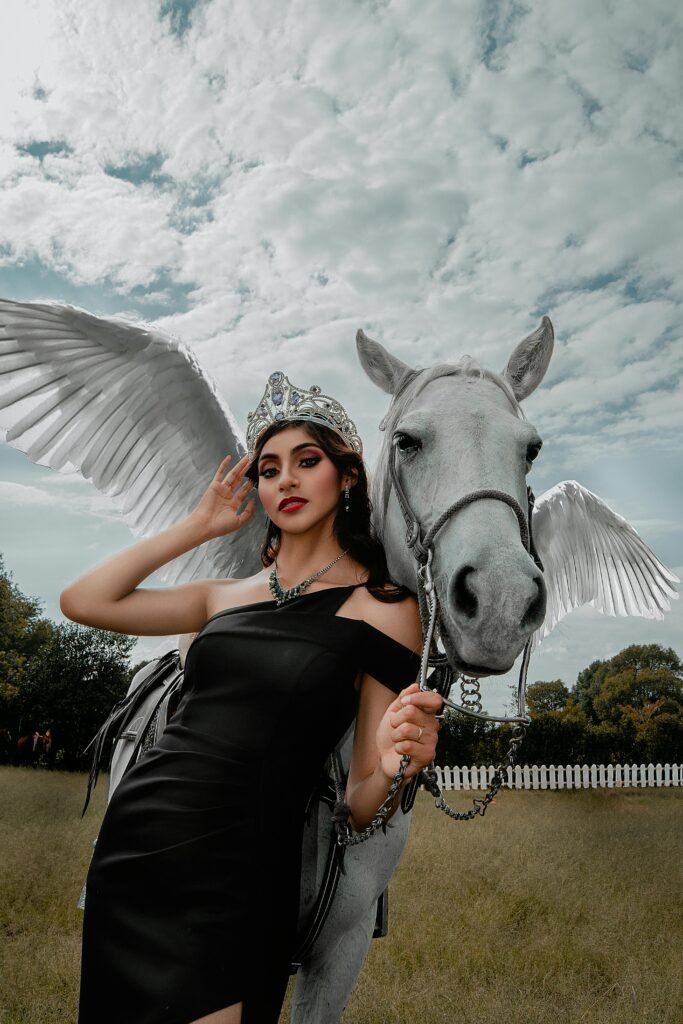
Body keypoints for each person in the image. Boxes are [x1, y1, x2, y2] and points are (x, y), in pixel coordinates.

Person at [61, 371, 443, 1024]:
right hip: (139, 849)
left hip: (242, 873)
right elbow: (84, 601)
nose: (285, 480)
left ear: (347, 477)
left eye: (307, 461)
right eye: (268, 469)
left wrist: (392, 763)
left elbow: (356, 806)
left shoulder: (386, 610)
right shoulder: (222, 596)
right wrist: (198, 526)